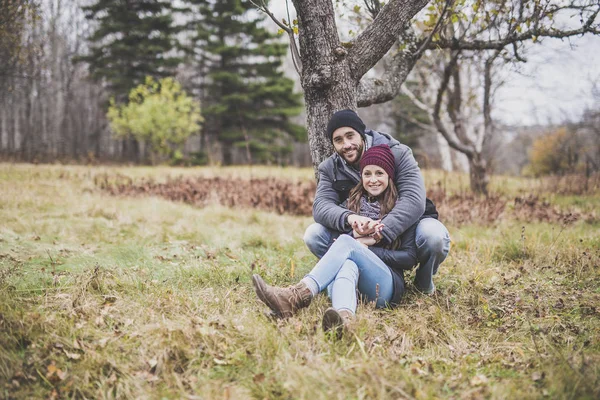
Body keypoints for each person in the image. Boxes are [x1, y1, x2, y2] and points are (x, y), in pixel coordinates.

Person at [252, 144, 437, 335]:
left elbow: (408, 258)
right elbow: (337, 244)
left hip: (386, 285)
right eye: (367, 174)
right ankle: (345, 319)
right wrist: (355, 237)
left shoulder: (402, 209)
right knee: (348, 262)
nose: (373, 180)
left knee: (348, 247)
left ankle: (297, 295)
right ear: (361, 177)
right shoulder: (351, 202)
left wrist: (364, 247)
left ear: (389, 176)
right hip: (353, 282)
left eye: (379, 173)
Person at [304, 109, 450, 295]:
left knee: (434, 236)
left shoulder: (398, 154)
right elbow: (321, 207)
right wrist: (352, 219)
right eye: (338, 140)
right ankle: (350, 278)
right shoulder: (330, 168)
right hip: (356, 232)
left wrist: (378, 233)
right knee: (313, 234)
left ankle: (423, 284)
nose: (346, 145)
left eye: (350, 136)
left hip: (405, 228)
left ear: (362, 134)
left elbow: (413, 200)